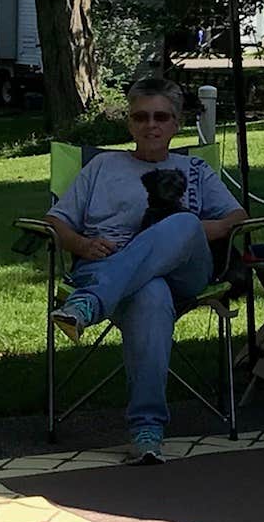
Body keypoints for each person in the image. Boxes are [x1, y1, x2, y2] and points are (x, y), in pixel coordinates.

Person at [46, 74, 251, 462]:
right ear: (130, 124)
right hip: (107, 264)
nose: (151, 125)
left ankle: (88, 305)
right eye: (141, 118)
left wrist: (194, 231)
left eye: (161, 117)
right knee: (150, 293)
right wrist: (82, 244)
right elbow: (56, 222)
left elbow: (237, 217)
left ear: (176, 124)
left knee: (184, 222)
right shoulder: (102, 167)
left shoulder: (194, 170)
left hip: (183, 275)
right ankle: (147, 431)